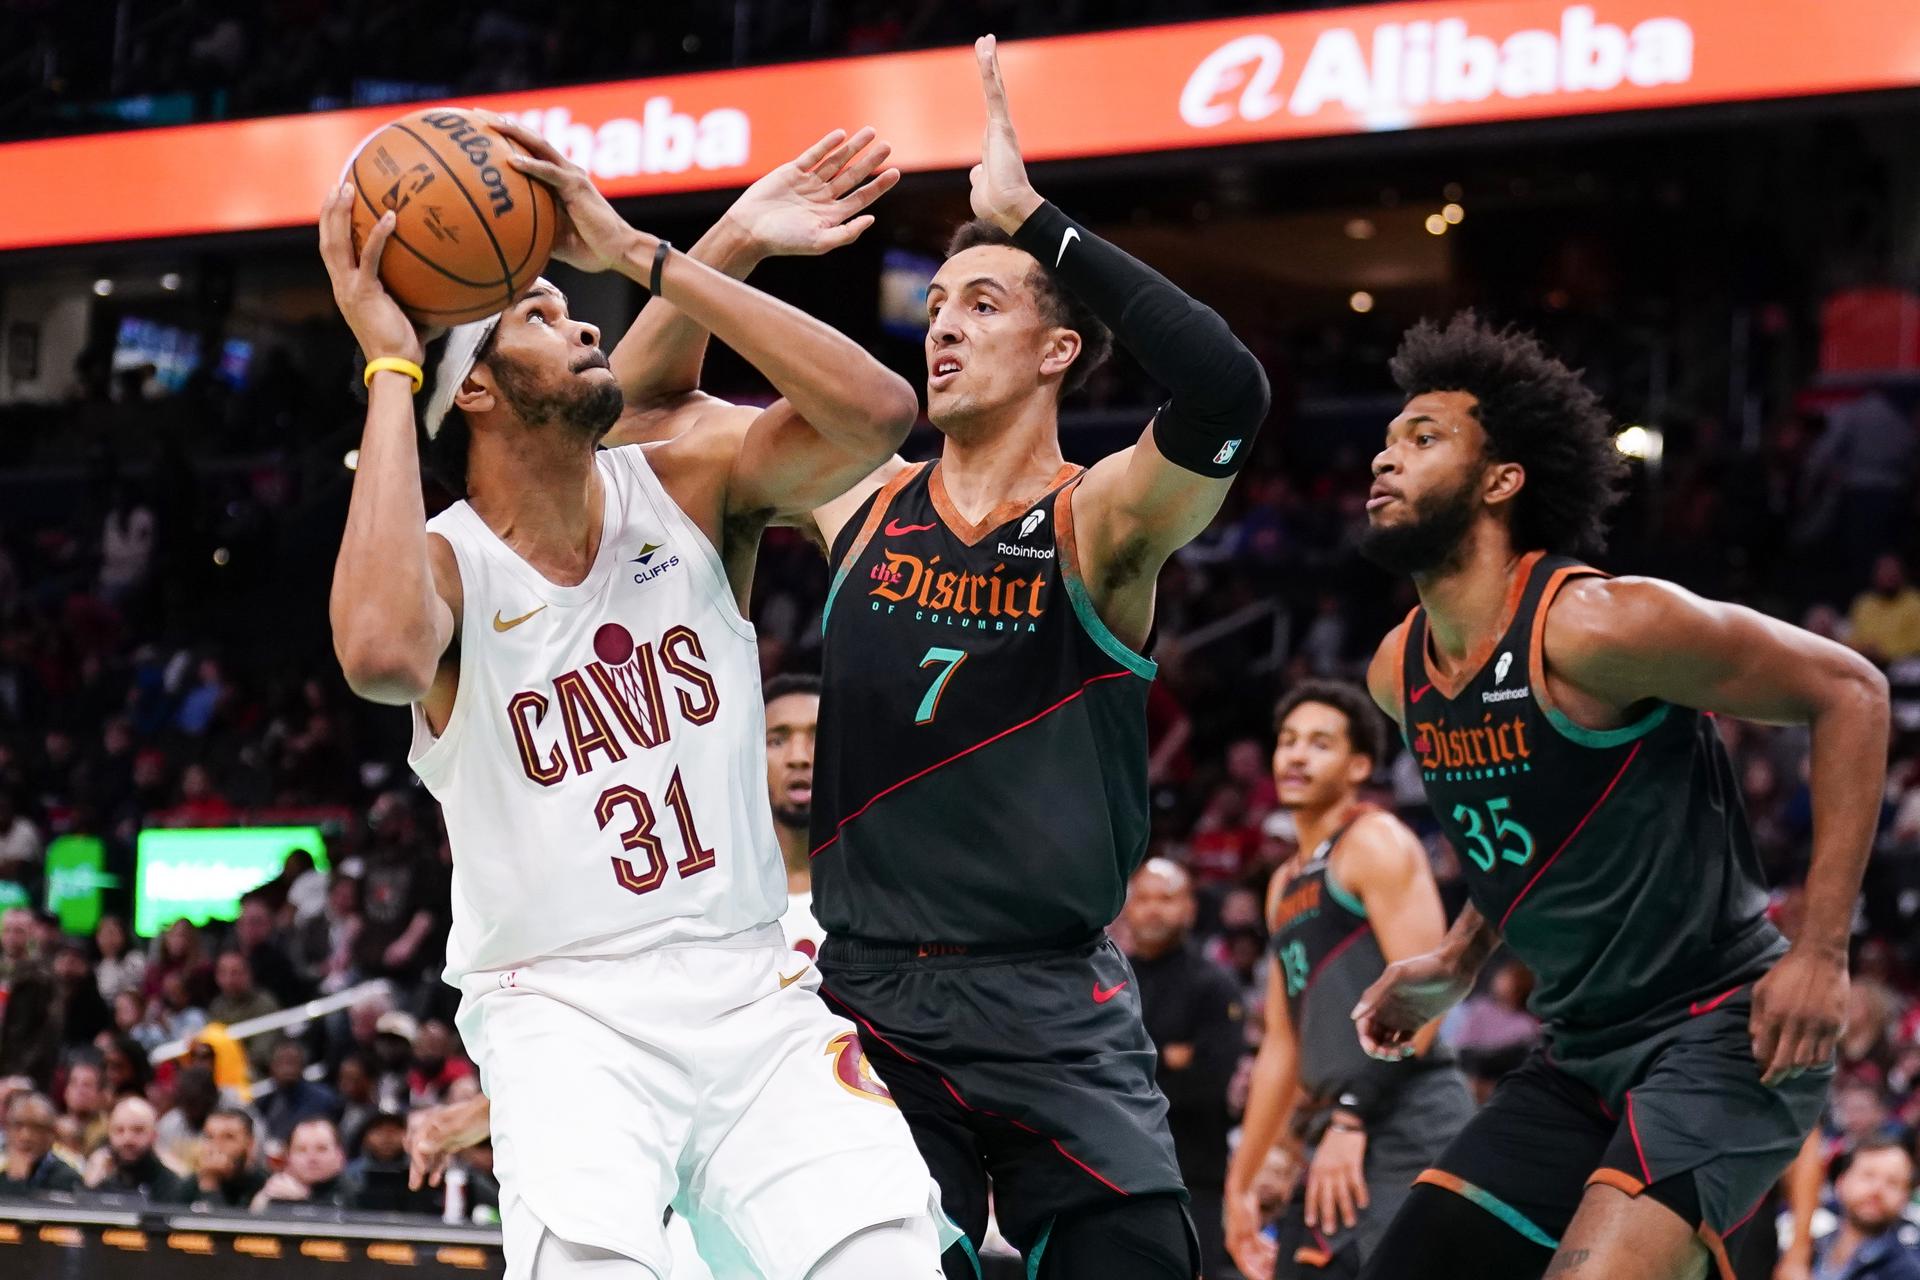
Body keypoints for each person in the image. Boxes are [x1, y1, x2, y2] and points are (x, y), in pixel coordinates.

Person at [320, 111, 952, 1278]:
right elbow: (377, 655)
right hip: (561, 1006)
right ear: (476, 394)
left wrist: (654, 254)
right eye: (542, 315)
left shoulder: (688, 484)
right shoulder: (451, 565)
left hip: (750, 978)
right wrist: (389, 357)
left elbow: (876, 418)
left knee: (889, 1252)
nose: (585, 317)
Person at [799, 40, 1267, 1279]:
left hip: (1056, 998)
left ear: (1061, 350)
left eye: (986, 305)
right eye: (940, 308)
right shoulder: (854, 502)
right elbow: (658, 419)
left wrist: (1034, 223)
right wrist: (710, 253)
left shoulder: (1097, 522)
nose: (944, 328)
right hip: (871, 1000)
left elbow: (1226, 389)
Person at [1348, 314, 1890, 1280]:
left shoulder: (1599, 626)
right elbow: (1531, 830)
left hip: (1728, 1032)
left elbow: (1851, 691)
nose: (1385, 459)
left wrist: (1820, 950)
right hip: (1581, 1050)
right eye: (1389, 440)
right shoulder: (1401, 673)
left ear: (1501, 480)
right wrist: (1461, 958)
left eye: (1423, 438)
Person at [1225, 681, 1474, 1279]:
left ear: (1359, 765)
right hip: (1335, 1132)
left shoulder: (1376, 841)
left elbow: (1427, 1000)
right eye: (1287, 742)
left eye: (1319, 743)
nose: (1297, 756)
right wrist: (1248, 1176)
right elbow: (1284, 1044)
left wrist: (1350, 1116)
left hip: (1407, 1118)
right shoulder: (1284, 883)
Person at [1122, 859, 1248, 1279]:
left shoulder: (1214, 984)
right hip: (1118, 1177)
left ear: (1190, 908)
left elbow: (1209, 1083)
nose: (1154, 910)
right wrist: (1169, 1059)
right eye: (1144, 899)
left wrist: (1130, 1079)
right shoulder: (1109, 981)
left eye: (1166, 898)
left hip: (1193, 1175)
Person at [1795, 1136, 1920, 1280]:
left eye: (1893, 1183)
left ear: (1905, 1197)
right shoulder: (1806, 1251)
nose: (1877, 1190)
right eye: (1868, 1176)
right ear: (1841, 1181)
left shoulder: (1907, 1270)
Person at [763, 673, 825, 956]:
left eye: (820, 736)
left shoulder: (885, 896)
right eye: (776, 741)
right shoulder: (718, 900)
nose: (799, 757)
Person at [82, 1095, 191, 1202]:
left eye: (138, 1130)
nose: (128, 1139)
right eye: (119, 1130)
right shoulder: (101, 1187)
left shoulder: (175, 1189)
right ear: (109, 1135)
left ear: (154, 1135)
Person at [253, 1116, 349, 1211]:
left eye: (321, 1149)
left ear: (340, 1155)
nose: (312, 1158)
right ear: (288, 1157)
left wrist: (303, 1202)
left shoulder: (355, 1193)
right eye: (302, 1150)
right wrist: (262, 1201)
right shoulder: (276, 1190)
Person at [257, 1037, 341, 1145]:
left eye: (292, 1062)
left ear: (302, 1065)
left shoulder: (325, 1099)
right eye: (282, 1062)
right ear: (272, 1067)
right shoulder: (265, 1103)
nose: (287, 1068)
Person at [0, 1089, 82, 1192]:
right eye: (18, 1125)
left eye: (36, 1128)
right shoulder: (2, 1176)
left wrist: (18, 1180)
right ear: (7, 1130)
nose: (25, 1136)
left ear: (52, 1133)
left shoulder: (67, 1179)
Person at [1847, 554, 1920, 665]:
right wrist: (1864, 650)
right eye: (1884, 572)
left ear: (1902, 574)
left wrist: (1885, 654)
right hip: (1866, 662)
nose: (1888, 576)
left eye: (1892, 571)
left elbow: (1916, 644)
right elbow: (1852, 637)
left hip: (1903, 665)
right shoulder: (1864, 603)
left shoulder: (1914, 602)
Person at [191, 1107, 267, 1209]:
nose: (216, 1145)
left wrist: (210, 1184)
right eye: (209, 1137)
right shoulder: (190, 1185)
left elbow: (223, 1224)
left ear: (250, 1144)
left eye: (228, 1137)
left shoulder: (264, 1187)